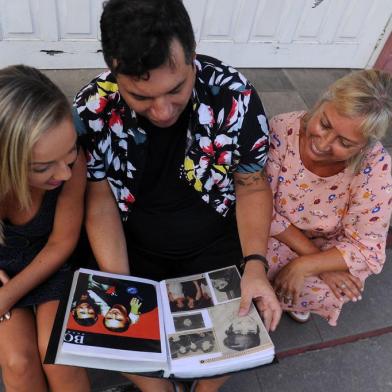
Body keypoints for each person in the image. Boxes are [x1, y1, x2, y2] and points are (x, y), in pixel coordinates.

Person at [73, 0, 281, 390]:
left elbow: (251, 183)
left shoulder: (233, 95)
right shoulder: (92, 108)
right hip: (129, 244)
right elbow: (99, 199)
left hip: (214, 244)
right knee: (122, 341)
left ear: (192, 54)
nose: (163, 111)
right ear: (114, 70)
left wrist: (255, 264)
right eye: (141, 96)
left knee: (232, 336)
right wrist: (121, 285)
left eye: (176, 89)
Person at [265, 69, 392, 326]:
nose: (322, 145)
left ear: (365, 146)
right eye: (324, 124)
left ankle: (285, 298)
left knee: (335, 286)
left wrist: (305, 266)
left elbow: (367, 247)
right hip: (275, 233)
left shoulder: (376, 166)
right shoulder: (282, 129)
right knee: (249, 255)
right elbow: (262, 208)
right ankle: (274, 296)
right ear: (321, 103)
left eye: (344, 143)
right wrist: (314, 262)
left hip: (328, 244)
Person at [0, 65, 89, 391]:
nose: (64, 174)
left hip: (54, 263)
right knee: (18, 364)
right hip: (4, 267)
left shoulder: (73, 165)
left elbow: (62, 243)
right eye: (42, 167)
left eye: (68, 154)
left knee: (59, 357)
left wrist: (7, 296)